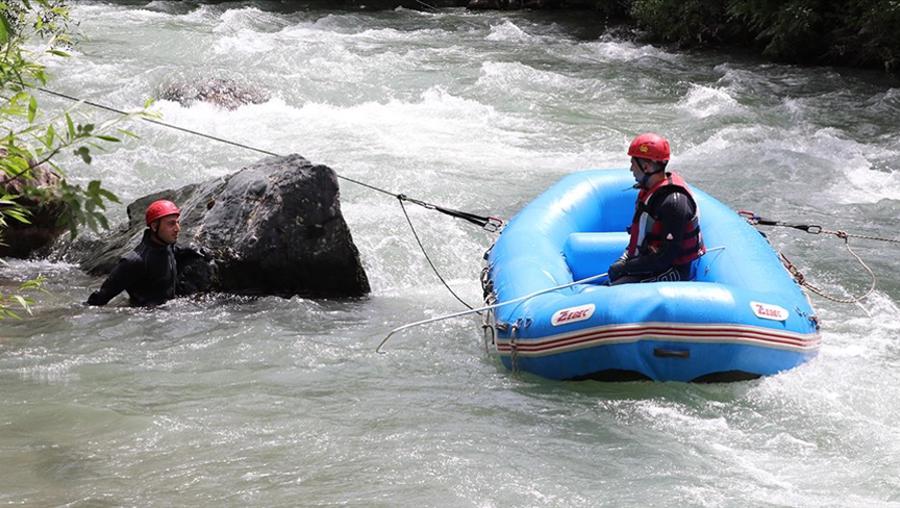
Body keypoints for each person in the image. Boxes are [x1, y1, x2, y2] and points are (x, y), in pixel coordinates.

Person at [607, 133, 705, 285]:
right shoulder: (650, 191)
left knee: (616, 289)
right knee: (612, 282)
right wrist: (624, 261)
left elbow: (666, 257)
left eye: (633, 163)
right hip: (652, 262)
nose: (631, 169)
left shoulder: (673, 204)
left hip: (675, 270)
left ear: (646, 167)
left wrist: (625, 267)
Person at [86, 199, 183, 306]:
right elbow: (100, 298)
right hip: (146, 318)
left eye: (178, 222)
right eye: (171, 224)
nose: (177, 228)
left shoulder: (168, 246)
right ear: (155, 227)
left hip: (168, 313)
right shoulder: (134, 261)